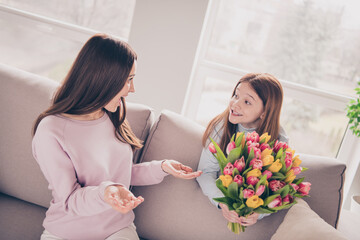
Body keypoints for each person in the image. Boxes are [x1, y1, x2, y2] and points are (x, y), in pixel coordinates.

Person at [32, 33, 202, 240]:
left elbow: (120, 175)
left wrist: (162, 167)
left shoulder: (112, 114)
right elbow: (69, 199)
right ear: (103, 79)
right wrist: (106, 193)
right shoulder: (51, 130)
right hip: (68, 232)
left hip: (116, 229)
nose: (132, 89)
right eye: (128, 80)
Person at [196, 73, 288, 227]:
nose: (235, 104)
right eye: (236, 95)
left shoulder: (279, 139)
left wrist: (259, 213)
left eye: (247, 102)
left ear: (265, 112)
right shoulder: (222, 126)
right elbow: (205, 172)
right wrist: (223, 202)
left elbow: (278, 187)